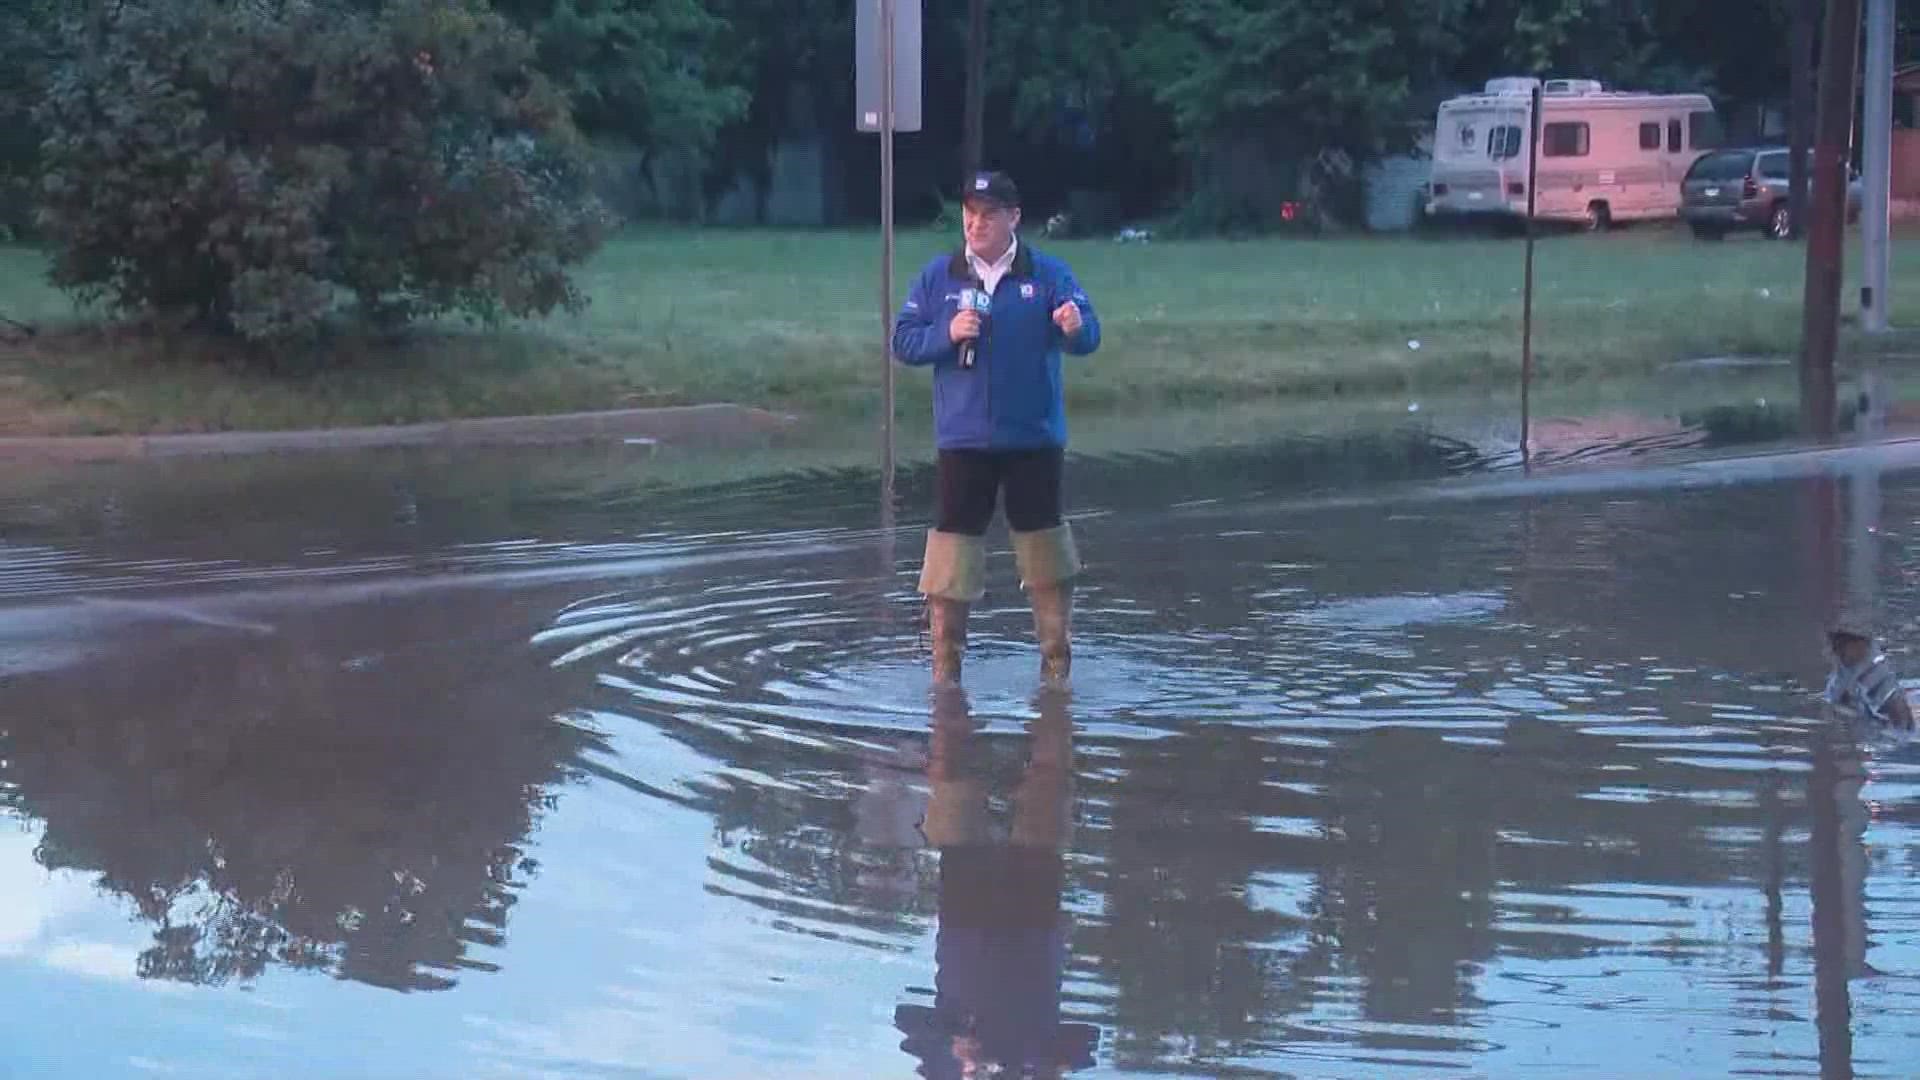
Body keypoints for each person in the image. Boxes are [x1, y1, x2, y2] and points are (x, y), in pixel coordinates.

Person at [891, 170, 1102, 686]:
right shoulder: (939, 277)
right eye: (969, 212)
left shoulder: (1049, 273)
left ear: (1014, 217)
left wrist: (1076, 329)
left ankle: (1056, 671)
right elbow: (904, 341)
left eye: (988, 213)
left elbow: (1088, 334)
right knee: (951, 556)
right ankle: (946, 672)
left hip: (1033, 439)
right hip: (964, 442)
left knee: (1046, 553)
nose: (975, 222)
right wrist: (947, 332)